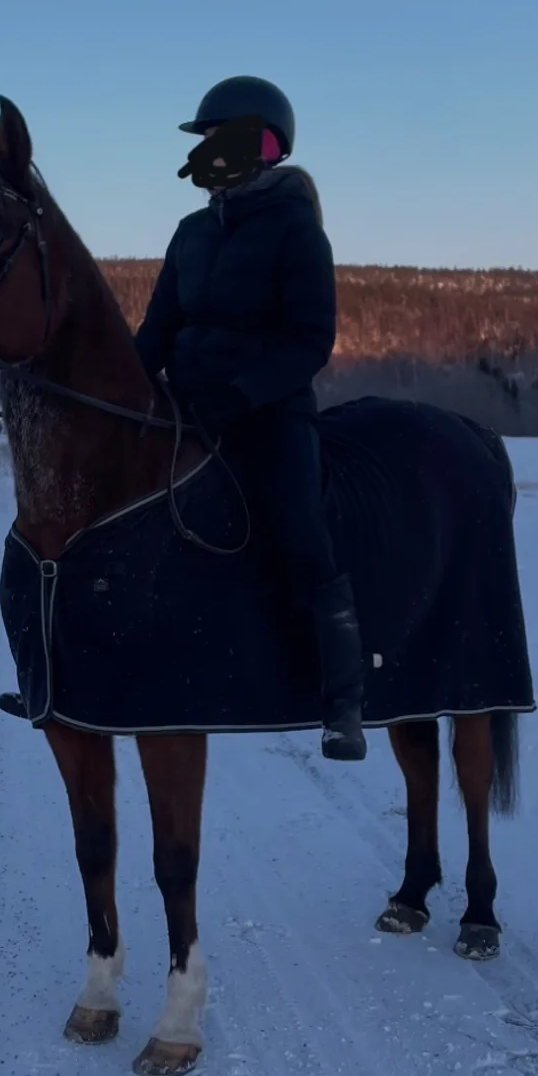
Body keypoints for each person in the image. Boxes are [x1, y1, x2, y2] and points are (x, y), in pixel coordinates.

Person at [134, 75, 367, 760]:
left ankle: (342, 700)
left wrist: (239, 395)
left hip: (269, 415)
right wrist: (122, 384)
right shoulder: (191, 232)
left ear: (256, 144)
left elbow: (309, 340)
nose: (205, 150)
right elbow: (157, 331)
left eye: (214, 138)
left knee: (301, 534)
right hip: (186, 412)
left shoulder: (297, 230)